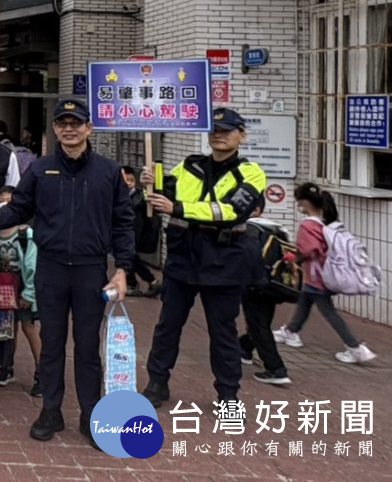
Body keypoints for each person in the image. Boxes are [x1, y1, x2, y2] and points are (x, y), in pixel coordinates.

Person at [0, 98, 133, 446]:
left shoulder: (108, 172)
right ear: (54, 129)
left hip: (90, 271)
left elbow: (124, 223)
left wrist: (123, 269)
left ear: (89, 128)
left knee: (87, 347)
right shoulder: (40, 169)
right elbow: (20, 207)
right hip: (50, 269)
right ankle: (50, 411)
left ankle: (91, 415)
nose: (69, 129)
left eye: (76, 123)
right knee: (52, 344)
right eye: (62, 123)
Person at [142, 108, 269, 409]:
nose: (219, 135)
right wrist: (152, 177)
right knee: (167, 327)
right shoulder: (190, 165)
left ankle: (228, 397)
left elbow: (231, 212)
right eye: (214, 129)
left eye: (227, 130)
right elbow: (167, 189)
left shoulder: (251, 173)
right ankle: (157, 383)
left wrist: (178, 209)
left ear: (242, 136)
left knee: (223, 333)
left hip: (223, 262)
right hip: (182, 260)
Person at [273, 183, 377, 364]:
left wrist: (293, 257)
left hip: (317, 276)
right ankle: (291, 332)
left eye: (299, 201)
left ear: (305, 202)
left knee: (329, 312)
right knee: (304, 301)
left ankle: (356, 348)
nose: (298, 205)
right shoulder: (327, 223)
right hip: (327, 274)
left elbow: (309, 250)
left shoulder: (307, 225)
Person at [0, 185, 42, 397]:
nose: (5, 204)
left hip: (23, 286)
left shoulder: (24, 234)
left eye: (10, 201)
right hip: (2, 285)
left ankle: (42, 373)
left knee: (28, 326)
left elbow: (32, 265)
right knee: (7, 328)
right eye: (1, 201)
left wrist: (29, 293)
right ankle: (6, 367)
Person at [238, 206, 292, 385]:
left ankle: (276, 368)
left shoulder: (250, 228)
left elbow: (244, 256)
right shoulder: (277, 228)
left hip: (254, 283)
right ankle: (244, 348)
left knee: (259, 325)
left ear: (256, 209)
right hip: (275, 284)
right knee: (261, 322)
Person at [121, 166, 162, 297]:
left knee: (130, 259)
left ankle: (135, 283)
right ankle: (150, 282)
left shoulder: (138, 198)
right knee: (132, 259)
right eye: (125, 180)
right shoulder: (119, 197)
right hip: (125, 235)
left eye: (131, 180)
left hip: (134, 235)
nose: (128, 183)